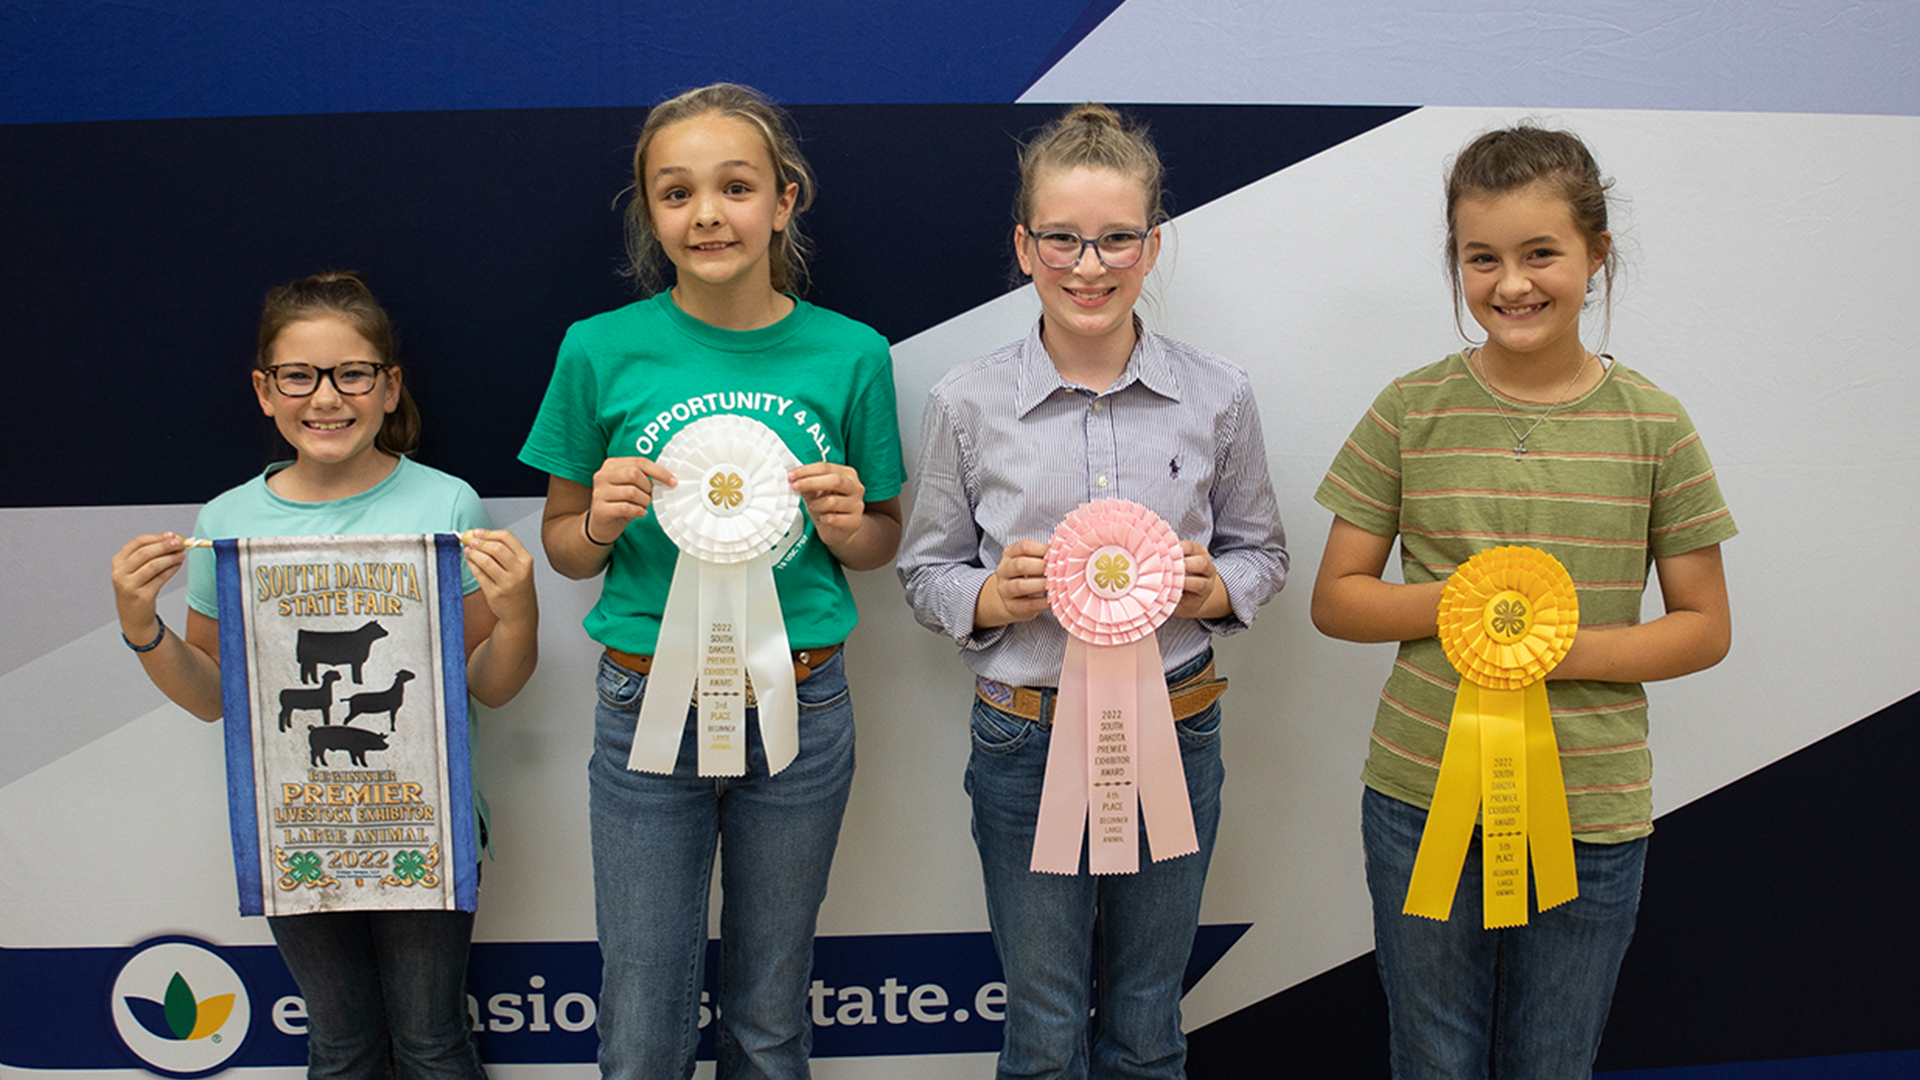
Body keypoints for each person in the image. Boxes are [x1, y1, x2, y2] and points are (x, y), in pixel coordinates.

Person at [1309, 124, 1736, 1079]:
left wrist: (1551, 647)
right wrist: (1467, 605)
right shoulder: (1408, 408)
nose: (1512, 284)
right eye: (1482, 258)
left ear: (1597, 253)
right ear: (1456, 262)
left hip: (1593, 805)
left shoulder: (1656, 425)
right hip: (1420, 796)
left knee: (1553, 1063)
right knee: (1434, 1059)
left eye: (1541, 253)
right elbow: (1337, 601)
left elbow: (1705, 626)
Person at [517, 83, 905, 1080]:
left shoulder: (852, 353)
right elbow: (564, 543)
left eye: (735, 187)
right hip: (645, 700)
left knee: (770, 1017)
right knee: (642, 1021)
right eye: (676, 192)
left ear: (785, 199)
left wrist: (853, 521)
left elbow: (880, 544)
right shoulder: (597, 348)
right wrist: (597, 521)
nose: (707, 214)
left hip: (803, 704)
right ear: (649, 212)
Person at [897, 102, 1288, 1080]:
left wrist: (1215, 588)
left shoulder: (1218, 394)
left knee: (1149, 1023)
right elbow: (925, 570)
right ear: (1024, 245)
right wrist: (990, 599)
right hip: (1024, 737)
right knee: (1043, 1028)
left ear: (1152, 247)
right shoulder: (968, 400)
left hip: (1176, 723)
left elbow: (1264, 553)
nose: (1090, 265)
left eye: (1117, 239)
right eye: (1064, 239)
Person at [108, 270, 540, 1078]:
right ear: (264, 391)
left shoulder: (446, 506)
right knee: (339, 1044)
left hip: (425, 824)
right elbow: (213, 699)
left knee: (431, 1039)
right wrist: (143, 629)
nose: (326, 398)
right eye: (299, 376)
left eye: (352, 374)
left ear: (388, 386)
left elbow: (490, 683)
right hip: (293, 829)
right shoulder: (228, 521)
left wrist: (520, 615)